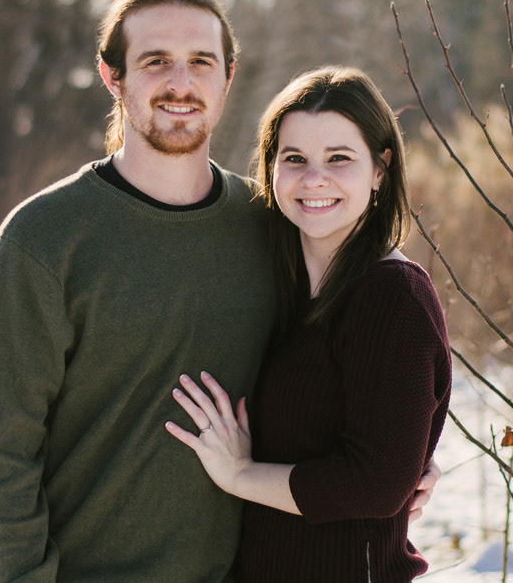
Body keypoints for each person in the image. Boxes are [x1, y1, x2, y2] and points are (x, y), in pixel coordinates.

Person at [0, 0, 439, 582]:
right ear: (114, 77)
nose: (180, 84)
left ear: (228, 76)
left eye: (200, 62)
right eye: (155, 61)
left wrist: (403, 464)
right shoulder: (44, 238)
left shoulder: (270, 225)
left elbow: (352, 369)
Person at [167, 66, 452, 582]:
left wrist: (240, 475)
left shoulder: (393, 298)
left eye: (339, 159)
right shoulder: (277, 286)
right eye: (294, 158)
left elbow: (377, 483)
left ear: (381, 169)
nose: (313, 179)